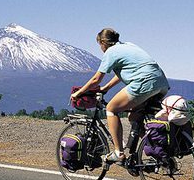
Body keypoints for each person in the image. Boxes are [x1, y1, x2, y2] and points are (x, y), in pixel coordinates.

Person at [71, 28, 170, 164]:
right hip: (161, 83)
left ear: (103, 42)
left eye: (100, 45)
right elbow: (120, 74)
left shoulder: (111, 52)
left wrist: (79, 92)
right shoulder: (128, 45)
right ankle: (156, 149)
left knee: (111, 109)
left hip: (143, 82)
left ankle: (118, 152)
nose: (101, 48)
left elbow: (96, 79)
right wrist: (105, 88)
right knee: (134, 116)